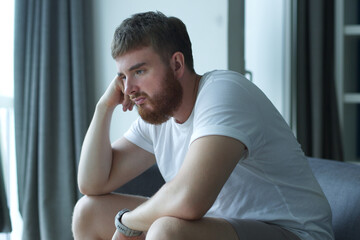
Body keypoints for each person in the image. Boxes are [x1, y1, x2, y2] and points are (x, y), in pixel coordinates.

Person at [72, 11, 334, 240]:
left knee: (166, 231)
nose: (129, 90)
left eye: (139, 72)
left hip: (292, 232)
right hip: (220, 226)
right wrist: (103, 108)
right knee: (88, 212)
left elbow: (189, 200)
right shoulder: (158, 115)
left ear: (176, 64)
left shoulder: (224, 92)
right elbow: (92, 183)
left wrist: (127, 223)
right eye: (122, 76)